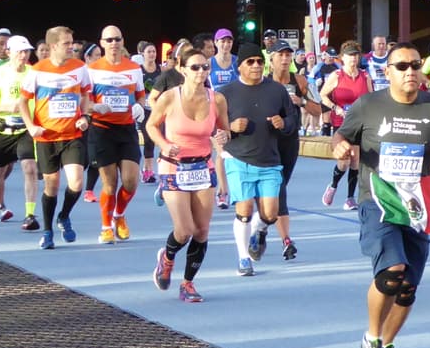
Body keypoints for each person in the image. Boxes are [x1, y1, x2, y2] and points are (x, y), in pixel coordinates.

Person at [331, 42, 430, 348]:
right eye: (401, 66)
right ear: (386, 72)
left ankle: (388, 344)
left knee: (408, 287)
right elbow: (339, 136)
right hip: (378, 197)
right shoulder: (368, 105)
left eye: (415, 65)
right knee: (392, 271)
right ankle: (371, 339)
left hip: (417, 201)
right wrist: (342, 147)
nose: (410, 72)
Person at [146, 45, 232, 302]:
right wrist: (164, 145)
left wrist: (223, 135)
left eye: (205, 67)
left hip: (203, 166)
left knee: (202, 230)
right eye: (195, 67)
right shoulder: (170, 97)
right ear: (182, 70)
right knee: (184, 230)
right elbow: (151, 125)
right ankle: (167, 258)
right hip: (174, 166)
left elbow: (225, 130)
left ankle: (188, 283)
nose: (201, 72)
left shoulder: (217, 99)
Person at [217, 42, 300, 277]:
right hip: (238, 157)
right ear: (239, 66)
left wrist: (283, 124)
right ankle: (244, 258)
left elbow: (292, 120)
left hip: (270, 160)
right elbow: (215, 127)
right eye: (250, 62)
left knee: (271, 214)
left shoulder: (277, 90)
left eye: (259, 62)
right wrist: (231, 128)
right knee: (244, 210)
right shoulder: (225, 93)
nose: (256, 66)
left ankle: (260, 228)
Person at [18, 25, 93, 249]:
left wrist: (86, 116)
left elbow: (86, 94)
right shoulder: (37, 70)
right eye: (66, 44)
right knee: (51, 185)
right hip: (46, 136)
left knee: (77, 182)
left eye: (72, 43)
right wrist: (30, 126)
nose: (72, 47)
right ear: (53, 46)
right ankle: (48, 230)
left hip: (72, 134)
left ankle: (64, 215)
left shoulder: (80, 68)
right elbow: (22, 101)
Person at [86, 26, 145, 244]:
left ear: (122, 41)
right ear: (102, 43)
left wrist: (140, 106)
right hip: (102, 130)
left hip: (126, 129)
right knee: (109, 184)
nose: (113, 43)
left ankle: (119, 215)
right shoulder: (92, 70)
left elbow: (140, 95)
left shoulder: (134, 68)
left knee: (130, 181)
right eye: (109, 40)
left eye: (117, 39)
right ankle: (105, 227)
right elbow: (84, 102)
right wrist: (94, 108)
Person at [0, 36, 40, 230]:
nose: (24, 55)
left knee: (30, 167)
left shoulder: (34, 73)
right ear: (9, 52)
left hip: (25, 129)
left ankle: (30, 215)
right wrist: (7, 106)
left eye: (27, 51)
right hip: (1, 129)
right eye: (19, 52)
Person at [267, 42, 320, 259]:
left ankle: (261, 226)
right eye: (280, 55)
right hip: (267, 141)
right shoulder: (263, 82)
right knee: (279, 189)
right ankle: (286, 240)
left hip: (290, 141)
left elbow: (318, 110)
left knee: (279, 189)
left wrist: (302, 101)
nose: (285, 59)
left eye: (288, 55)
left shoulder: (299, 81)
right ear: (272, 60)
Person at [320, 40, 369, 210]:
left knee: (355, 161)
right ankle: (333, 185)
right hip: (341, 123)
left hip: (360, 123)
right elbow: (323, 95)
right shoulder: (336, 76)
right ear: (342, 58)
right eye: (350, 55)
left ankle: (349, 198)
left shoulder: (365, 76)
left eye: (356, 55)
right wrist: (336, 108)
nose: (353, 59)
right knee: (344, 162)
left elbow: (371, 98)